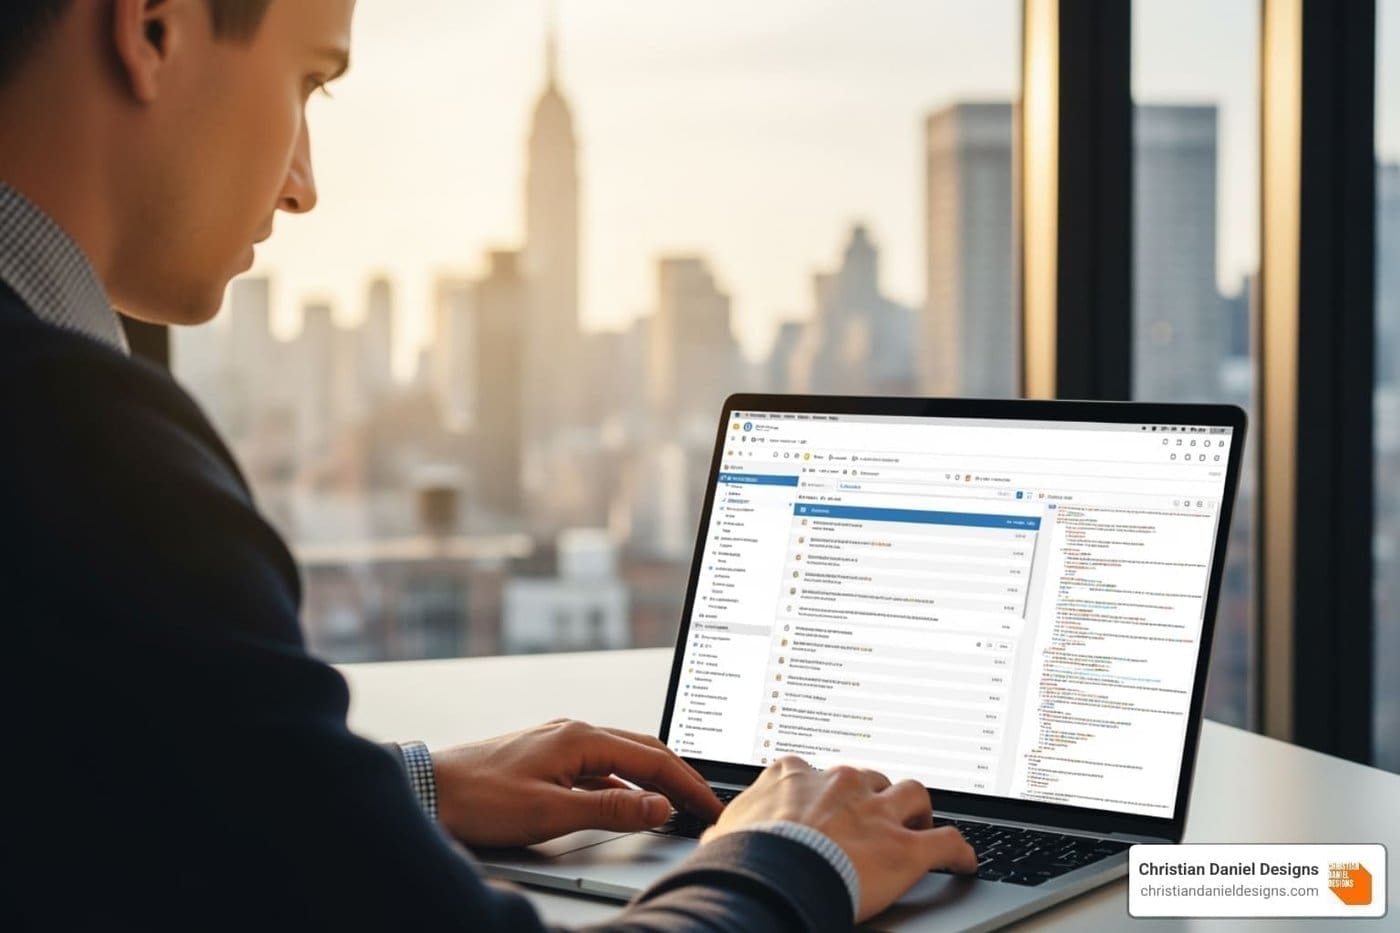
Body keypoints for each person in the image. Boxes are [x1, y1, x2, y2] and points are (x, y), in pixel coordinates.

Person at [0, 2, 976, 929]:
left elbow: (88, 794)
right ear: (153, 26)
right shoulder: (75, 452)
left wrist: (394, 794)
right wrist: (791, 853)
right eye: (307, 82)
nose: (303, 183)